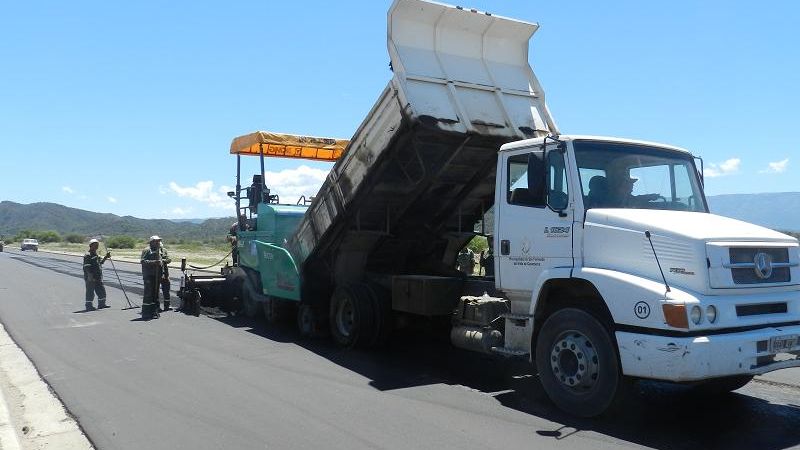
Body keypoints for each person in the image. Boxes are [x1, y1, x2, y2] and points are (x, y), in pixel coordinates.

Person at [140, 235, 171, 319]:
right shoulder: (147, 250)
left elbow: (166, 260)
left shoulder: (159, 251)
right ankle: (146, 312)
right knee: (148, 294)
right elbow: (142, 261)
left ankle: (154, 311)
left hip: (157, 276)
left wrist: (160, 262)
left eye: (158, 241)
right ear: (151, 242)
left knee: (155, 294)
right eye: (156, 241)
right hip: (149, 276)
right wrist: (154, 262)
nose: (157, 243)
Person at [83, 239, 111, 311]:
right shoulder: (88, 255)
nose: (97, 246)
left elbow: (100, 263)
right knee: (90, 292)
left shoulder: (96, 255)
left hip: (98, 277)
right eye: (95, 245)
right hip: (91, 277)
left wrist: (106, 257)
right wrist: (90, 277)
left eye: (97, 245)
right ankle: (89, 306)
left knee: (101, 290)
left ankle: (102, 304)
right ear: (91, 246)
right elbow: (87, 267)